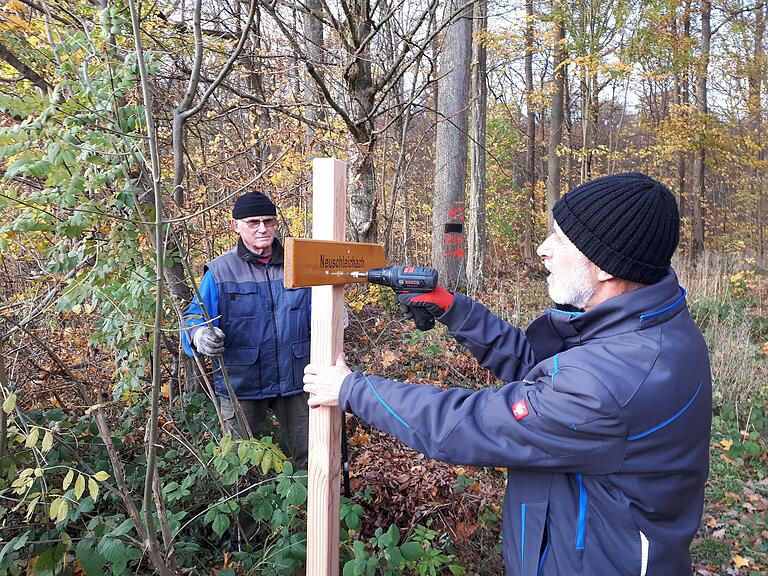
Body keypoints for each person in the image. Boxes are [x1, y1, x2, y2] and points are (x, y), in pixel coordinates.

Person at [303, 173, 712, 576]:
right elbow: (544, 375)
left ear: (605, 267)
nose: (542, 249)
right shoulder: (644, 326)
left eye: (561, 239)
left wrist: (351, 389)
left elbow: (469, 425)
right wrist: (454, 309)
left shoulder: (617, 378)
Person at [182, 191, 311, 471]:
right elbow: (194, 317)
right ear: (236, 226)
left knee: (309, 454)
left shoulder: (299, 263)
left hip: (296, 377)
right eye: (253, 222)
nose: (262, 228)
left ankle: (303, 512)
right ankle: (247, 515)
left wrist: (336, 314)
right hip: (242, 382)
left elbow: (323, 304)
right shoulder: (220, 271)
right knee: (241, 463)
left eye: (268, 220)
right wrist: (200, 336)